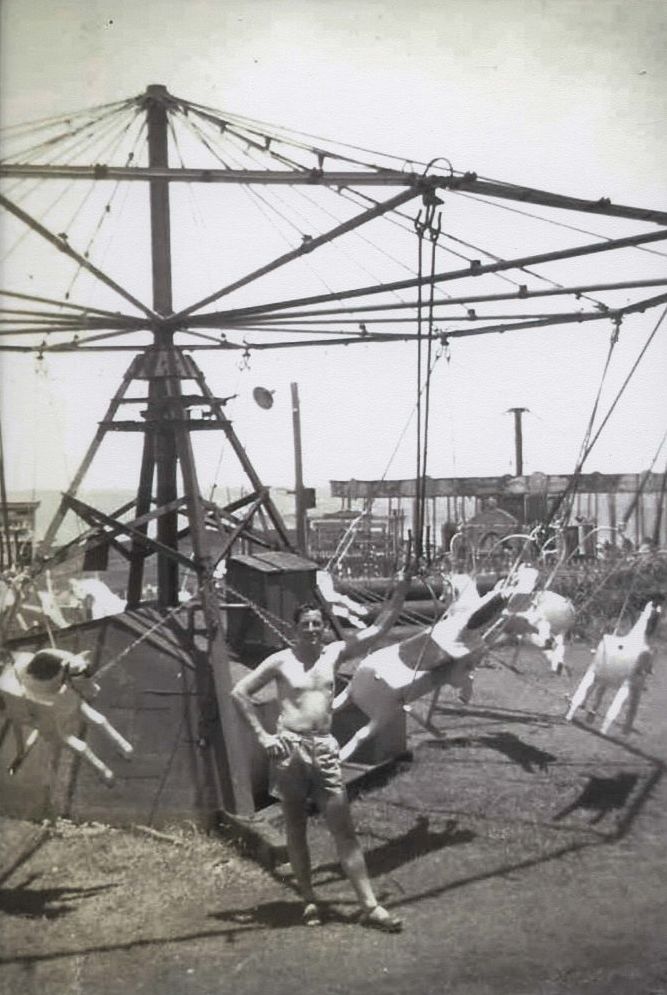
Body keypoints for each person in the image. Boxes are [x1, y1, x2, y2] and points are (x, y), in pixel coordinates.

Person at [231, 571, 411, 932]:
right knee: (295, 827)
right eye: (306, 625)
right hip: (289, 750)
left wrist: (402, 590)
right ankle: (309, 900)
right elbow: (239, 692)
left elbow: (378, 631)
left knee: (342, 828)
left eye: (317, 624)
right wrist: (264, 737)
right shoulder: (280, 661)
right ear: (295, 628)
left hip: (324, 749)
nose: (313, 630)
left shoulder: (334, 653)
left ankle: (370, 906)